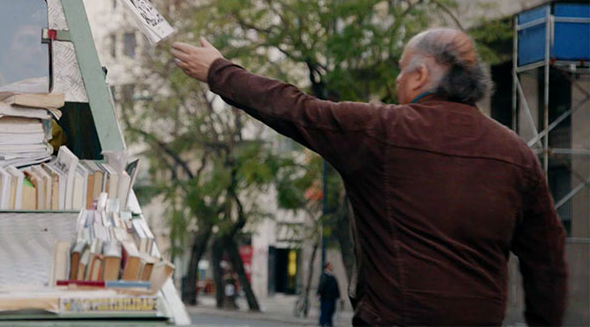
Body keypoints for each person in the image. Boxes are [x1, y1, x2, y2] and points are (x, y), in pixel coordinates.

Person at [171, 29, 567, 325]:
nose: (397, 81)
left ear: (419, 75)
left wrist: (219, 72)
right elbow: (547, 262)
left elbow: (293, 109)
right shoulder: (516, 153)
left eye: (401, 70)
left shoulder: (383, 131)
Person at [317, 262, 340, 326]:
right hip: (326, 297)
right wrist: (319, 293)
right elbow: (322, 285)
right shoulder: (325, 275)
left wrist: (337, 295)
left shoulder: (332, 276)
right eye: (330, 266)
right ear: (327, 267)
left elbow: (336, 286)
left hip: (332, 297)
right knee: (325, 311)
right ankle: (323, 323)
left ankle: (329, 323)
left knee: (331, 311)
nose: (331, 267)